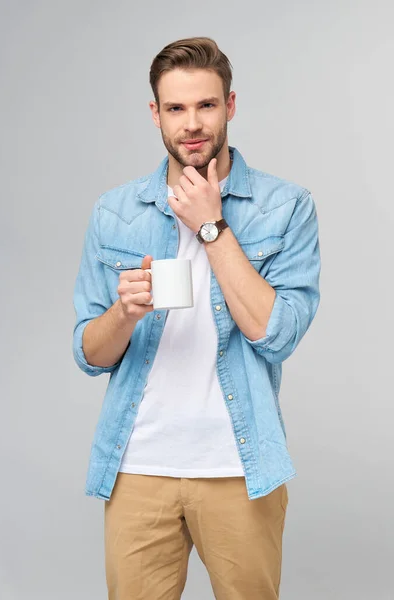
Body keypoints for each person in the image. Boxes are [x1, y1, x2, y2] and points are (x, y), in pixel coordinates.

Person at [73, 36, 321, 600]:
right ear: (155, 113)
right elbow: (88, 353)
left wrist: (212, 227)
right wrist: (124, 312)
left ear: (230, 106)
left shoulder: (285, 207)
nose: (192, 124)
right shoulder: (115, 212)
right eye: (177, 108)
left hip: (240, 466)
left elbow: (276, 334)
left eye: (206, 106)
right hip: (137, 467)